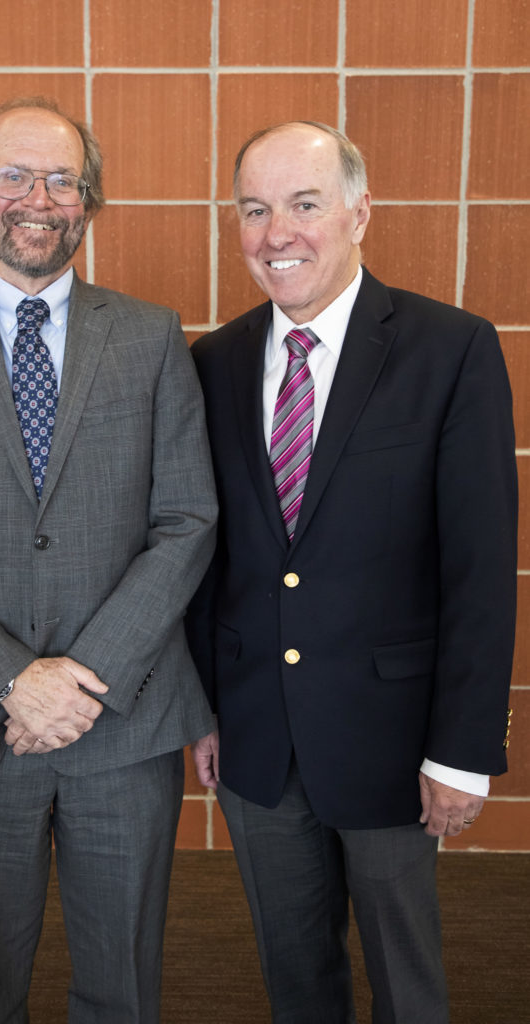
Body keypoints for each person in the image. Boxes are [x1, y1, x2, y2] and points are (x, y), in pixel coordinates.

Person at [0, 96, 218, 1024]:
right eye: (13, 176)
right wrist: (12, 678)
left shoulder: (148, 336)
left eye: (63, 180)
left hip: (121, 722)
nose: (38, 198)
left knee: (124, 984)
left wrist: (80, 680)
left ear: (88, 203)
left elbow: (187, 521)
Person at [187, 121, 517, 1024]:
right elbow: (205, 554)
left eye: (303, 204)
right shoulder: (210, 363)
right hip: (255, 735)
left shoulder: (450, 349)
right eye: (253, 210)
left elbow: (482, 568)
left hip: (394, 739)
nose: (275, 233)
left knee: (405, 980)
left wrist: (462, 750)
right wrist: (204, 708)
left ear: (359, 213)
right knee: (293, 975)